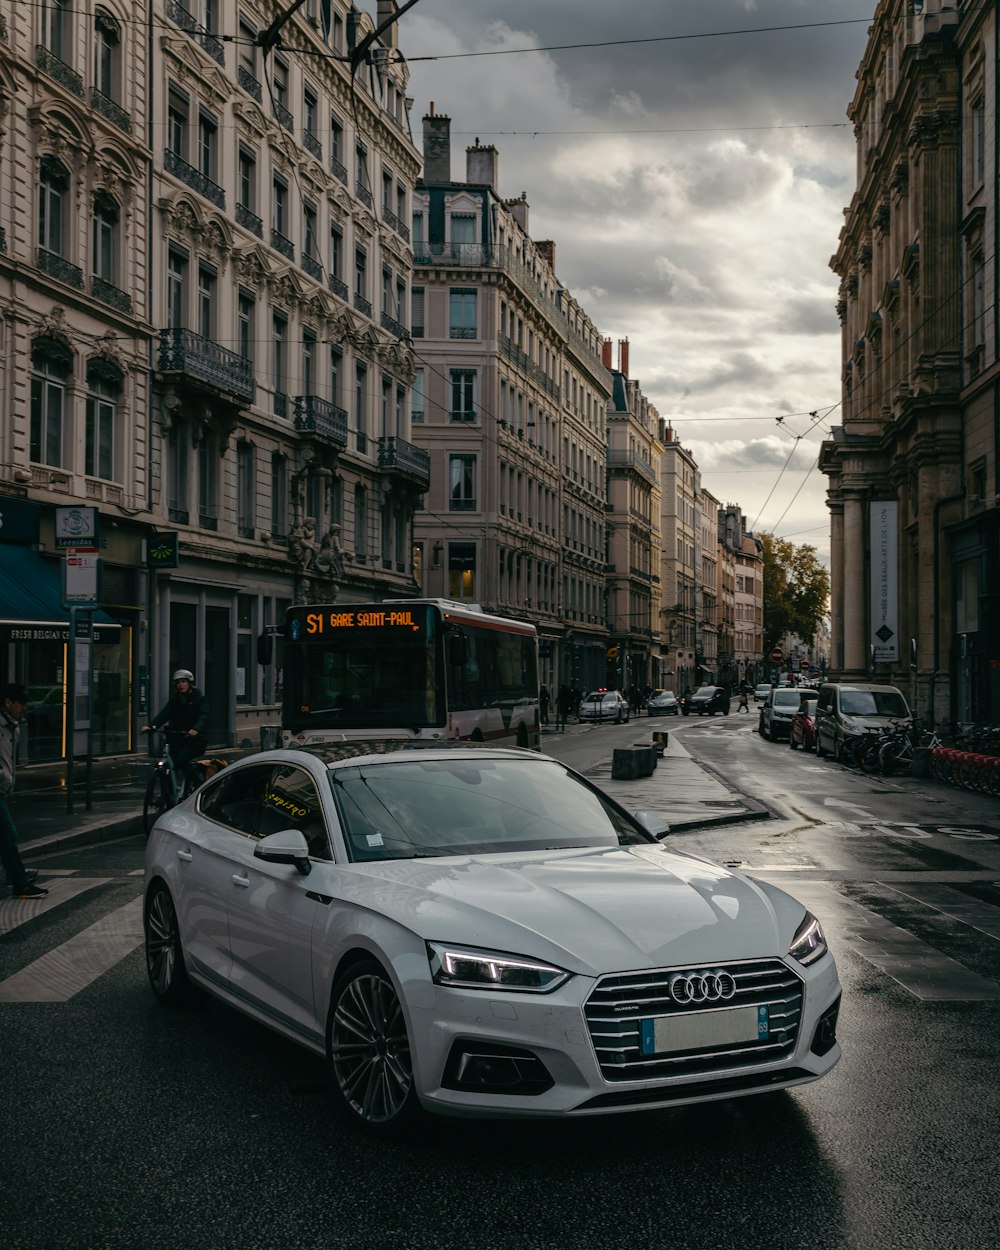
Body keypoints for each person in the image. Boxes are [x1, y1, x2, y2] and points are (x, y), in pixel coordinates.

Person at [0, 682, 47, 898]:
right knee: (9, 835)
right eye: (21, 703)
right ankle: (20, 883)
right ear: (8, 702)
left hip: (3, 789)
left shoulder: (13, 727)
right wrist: (4, 776)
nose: (24, 707)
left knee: (6, 836)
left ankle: (13, 874)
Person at [142, 669, 209, 795]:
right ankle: (168, 795)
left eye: (183, 681)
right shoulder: (175, 700)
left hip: (195, 740)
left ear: (190, 683)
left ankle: (198, 781)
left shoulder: (200, 699)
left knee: (181, 759)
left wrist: (196, 729)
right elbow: (164, 714)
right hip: (178, 739)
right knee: (169, 765)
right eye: (178, 682)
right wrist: (151, 726)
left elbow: (203, 717)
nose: (180, 685)